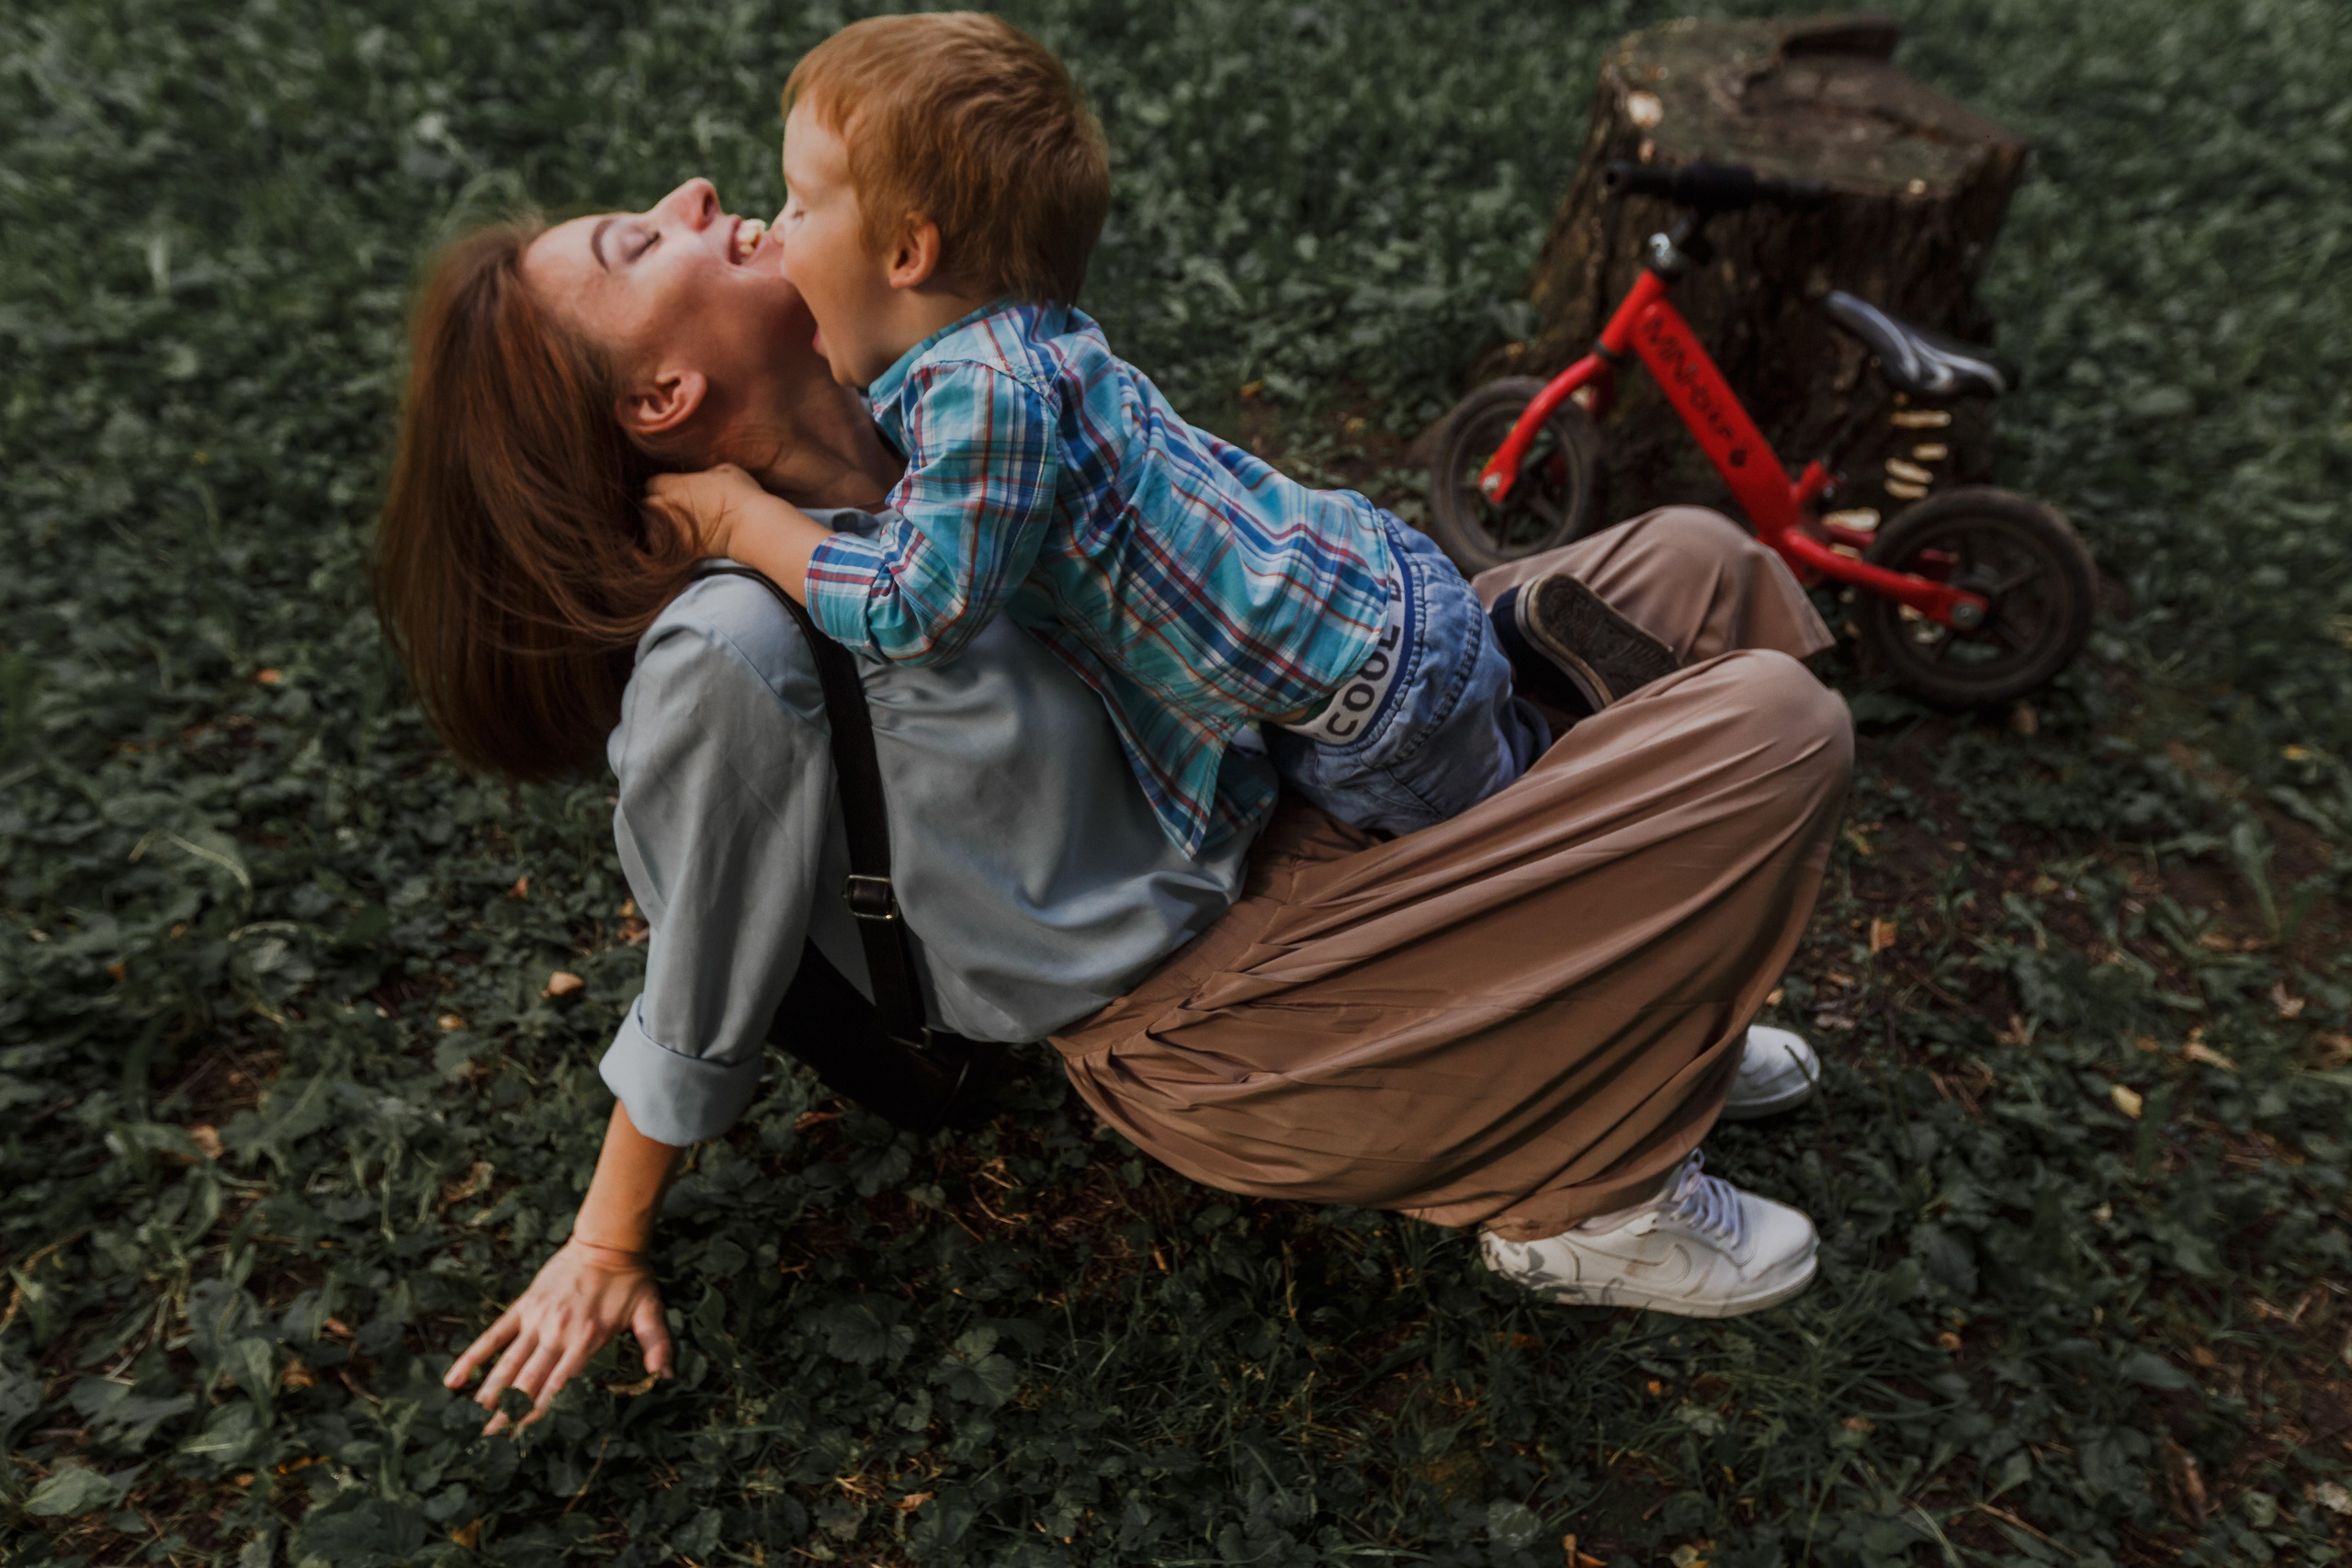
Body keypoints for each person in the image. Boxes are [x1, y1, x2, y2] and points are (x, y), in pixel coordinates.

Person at [371, 178, 1852, 1437]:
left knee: (1691, 567)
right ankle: (1580, 1204)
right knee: (1769, 733)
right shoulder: (739, 645)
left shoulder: (940, 413)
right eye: (641, 244)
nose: (693, 197)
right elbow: (697, 961)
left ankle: (1655, 1020)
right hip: (1228, 1015)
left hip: (1306, 798)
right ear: (658, 400)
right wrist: (605, 1233)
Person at [642, 13, 1543, 857]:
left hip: (1372, 695)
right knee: (1508, 760)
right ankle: (1550, 684)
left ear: (906, 254)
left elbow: (909, 607)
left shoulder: (981, 397)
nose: (780, 229)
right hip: (1367, 629)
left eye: (802, 204)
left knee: (1510, 862)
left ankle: (1601, 753)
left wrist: (739, 524)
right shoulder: (1012, 344)